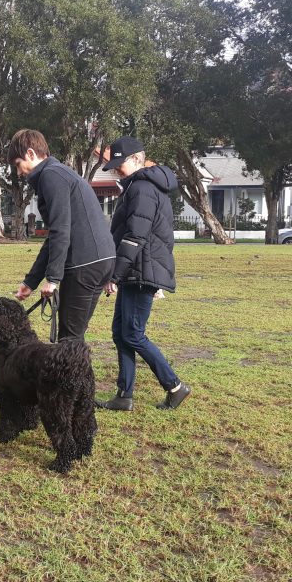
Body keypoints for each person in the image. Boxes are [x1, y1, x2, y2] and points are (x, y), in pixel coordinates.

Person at [95, 136, 191, 411]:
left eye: (120, 164)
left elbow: (135, 236)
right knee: (120, 333)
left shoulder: (143, 189)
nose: (116, 169)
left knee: (133, 334)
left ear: (137, 159)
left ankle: (175, 386)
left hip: (141, 270)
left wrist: (115, 275)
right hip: (135, 270)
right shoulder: (138, 187)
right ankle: (124, 395)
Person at [7, 129, 116, 341]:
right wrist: (31, 282)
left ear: (31, 154)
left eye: (18, 164)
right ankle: (78, 374)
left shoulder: (51, 176)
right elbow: (53, 237)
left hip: (85, 263)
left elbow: (60, 230)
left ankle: (76, 375)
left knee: (69, 338)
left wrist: (53, 279)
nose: (19, 172)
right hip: (100, 260)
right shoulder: (59, 173)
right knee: (74, 334)